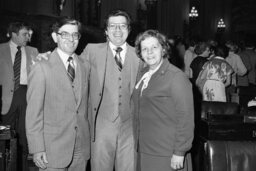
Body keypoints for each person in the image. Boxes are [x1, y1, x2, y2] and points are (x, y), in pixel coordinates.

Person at [26, 16, 90, 171]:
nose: (71, 39)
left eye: (75, 34)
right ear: (55, 37)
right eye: (65, 34)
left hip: (80, 148)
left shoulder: (85, 65)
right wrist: (37, 148)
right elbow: (34, 113)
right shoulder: (41, 67)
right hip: (52, 148)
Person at [80, 10, 140, 171]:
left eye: (122, 26)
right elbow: (72, 68)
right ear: (106, 30)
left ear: (129, 29)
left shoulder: (139, 55)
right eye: (113, 26)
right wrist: (48, 57)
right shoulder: (92, 51)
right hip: (101, 126)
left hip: (130, 128)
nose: (118, 30)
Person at [133, 30, 194, 171]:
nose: (149, 52)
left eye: (154, 47)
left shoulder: (176, 77)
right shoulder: (144, 74)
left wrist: (180, 151)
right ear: (140, 53)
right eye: (145, 49)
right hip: (145, 149)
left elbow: (185, 117)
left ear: (164, 49)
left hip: (166, 152)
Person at [0, 21, 39, 171]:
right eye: (24, 34)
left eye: (29, 34)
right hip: (4, 97)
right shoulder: (1, 49)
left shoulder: (33, 51)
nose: (28, 37)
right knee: (4, 132)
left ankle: (22, 165)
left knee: (24, 132)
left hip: (26, 94)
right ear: (14, 34)